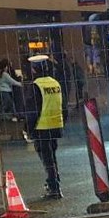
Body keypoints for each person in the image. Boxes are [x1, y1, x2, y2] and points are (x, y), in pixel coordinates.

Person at [24, 55, 65, 199]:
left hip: (41, 127)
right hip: (55, 125)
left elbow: (32, 111)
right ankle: (55, 182)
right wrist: (62, 122)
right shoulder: (55, 83)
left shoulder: (35, 86)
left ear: (34, 70)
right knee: (52, 156)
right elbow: (63, 105)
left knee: (46, 159)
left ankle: (53, 187)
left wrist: (28, 129)